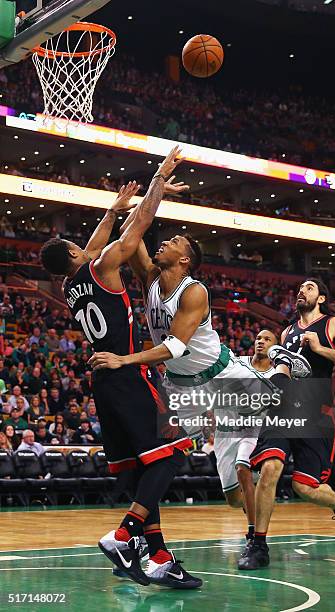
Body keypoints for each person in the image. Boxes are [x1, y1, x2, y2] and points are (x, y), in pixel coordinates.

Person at [89, 216, 310, 584]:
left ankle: (282, 360)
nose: (165, 242)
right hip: (181, 387)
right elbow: (134, 236)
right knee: (168, 462)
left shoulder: (194, 291)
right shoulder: (151, 279)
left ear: (185, 260)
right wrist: (127, 206)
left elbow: (174, 345)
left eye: (174, 241)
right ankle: (155, 553)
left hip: (222, 374)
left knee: (278, 397)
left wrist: (124, 359)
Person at [41, 147, 201, 589]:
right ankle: (124, 535)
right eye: (79, 245)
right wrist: (156, 183)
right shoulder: (101, 266)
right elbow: (139, 229)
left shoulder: (74, 283)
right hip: (127, 374)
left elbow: (95, 246)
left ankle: (161, 556)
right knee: (175, 452)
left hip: (102, 383)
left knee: (141, 471)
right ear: (76, 252)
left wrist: (111, 210)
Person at [239, 278, 335, 570]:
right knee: (270, 467)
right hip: (285, 411)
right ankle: (257, 544)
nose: (302, 291)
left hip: (316, 413)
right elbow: (285, 368)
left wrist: (321, 349)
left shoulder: (333, 325)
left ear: (321, 298)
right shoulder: (287, 332)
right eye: (300, 288)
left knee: (305, 487)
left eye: (309, 287)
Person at [214, 329, 277, 563]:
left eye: (267, 339)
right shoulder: (236, 363)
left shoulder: (275, 375)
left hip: (253, 430)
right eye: (259, 338)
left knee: (243, 468)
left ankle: (253, 534)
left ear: (275, 348)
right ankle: (255, 505)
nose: (261, 341)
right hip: (225, 432)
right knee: (232, 500)